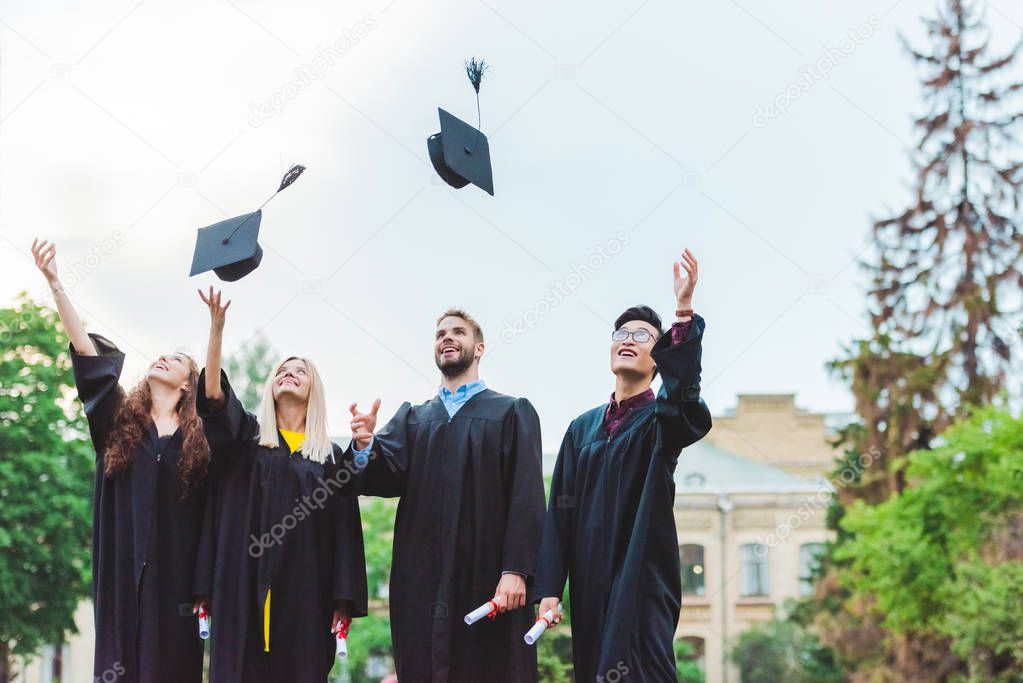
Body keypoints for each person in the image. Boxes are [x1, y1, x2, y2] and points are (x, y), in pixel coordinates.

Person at [31, 239, 211, 683]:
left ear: (189, 385)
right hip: (120, 581)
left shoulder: (198, 444)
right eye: (162, 354)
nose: (163, 357)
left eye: (177, 360)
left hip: (176, 590)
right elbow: (89, 360)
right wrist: (56, 284)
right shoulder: (118, 426)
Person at [535, 248, 712, 682]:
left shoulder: (660, 420)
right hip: (591, 584)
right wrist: (548, 590)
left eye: (643, 336)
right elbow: (560, 516)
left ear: (660, 359)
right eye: (621, 333)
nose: (629, 339)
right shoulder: (581, 429)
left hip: (643, 579)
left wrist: (683, 312)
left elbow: (685, 399)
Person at [346, 308, 545, 682]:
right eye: (440, 335)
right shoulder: (414, 418)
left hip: (488, 577)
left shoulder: (510, 412)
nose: (447, 338)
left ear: (479, 347)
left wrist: (516, 570)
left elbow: (527, 496)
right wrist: (364, 444)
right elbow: (381, 476)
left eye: (458, 332)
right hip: (421, 578)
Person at [194, 288, 367, 683]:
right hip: (242, 590)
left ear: (314, 391)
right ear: (271, 386)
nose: (289, 373)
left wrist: (343, 599)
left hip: (306, 596)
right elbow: (215, 399)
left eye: (300, 370)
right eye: (282, 370)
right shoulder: (247, 444)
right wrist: (217, 329)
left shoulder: (328, 459)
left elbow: (345, 534)